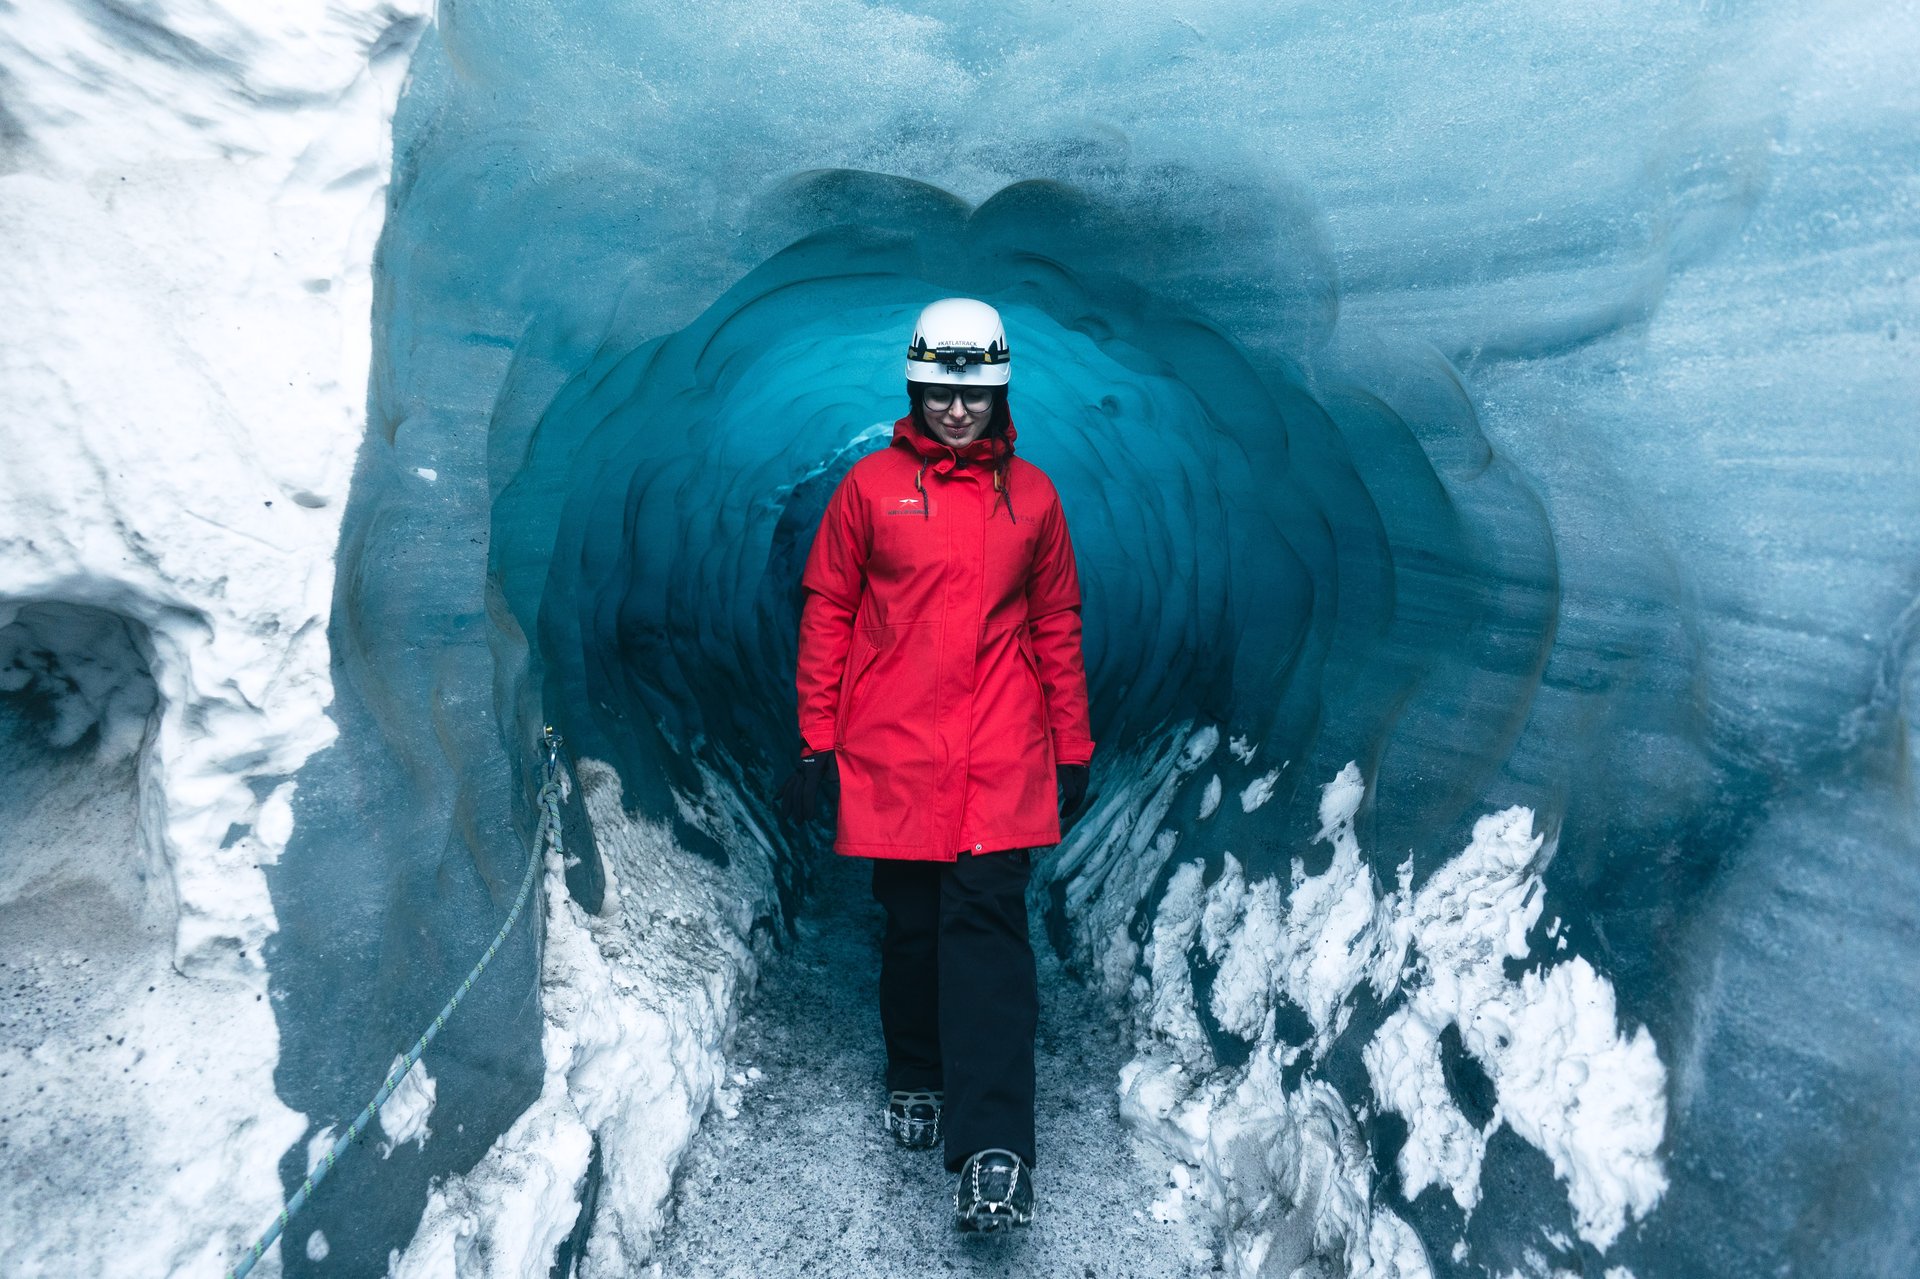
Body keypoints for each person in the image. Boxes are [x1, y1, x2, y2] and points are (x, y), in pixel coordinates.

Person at [780, 297, 1095, 1233]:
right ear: (916, 389)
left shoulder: (1033, 498)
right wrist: (816, 740)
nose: (959, 410)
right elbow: (827, 614)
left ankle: (994, 1144)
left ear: (1000, 395)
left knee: (990, 935)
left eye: (977, 394)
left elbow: (1056, 625)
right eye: (941, 392)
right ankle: (917, 1068)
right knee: (913, 928)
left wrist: (1070, 743)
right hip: (897, 753)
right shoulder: (868, 491)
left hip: (998, 751)